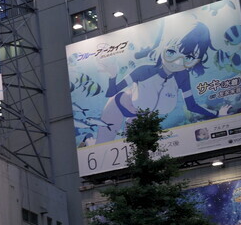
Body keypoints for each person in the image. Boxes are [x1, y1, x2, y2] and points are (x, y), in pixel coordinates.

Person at [94, 22, 230, 144]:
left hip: (142, 116)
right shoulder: (145, 71)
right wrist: (113, 75)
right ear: (163, 48)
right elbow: (112, 92)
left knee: (133, 150)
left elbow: (191, 105)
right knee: (102, 146)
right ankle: (91, 141)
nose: (177, 62)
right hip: (118, 105)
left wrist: (218, 114)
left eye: (188, 58)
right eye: (172, 52)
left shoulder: (182, 76)